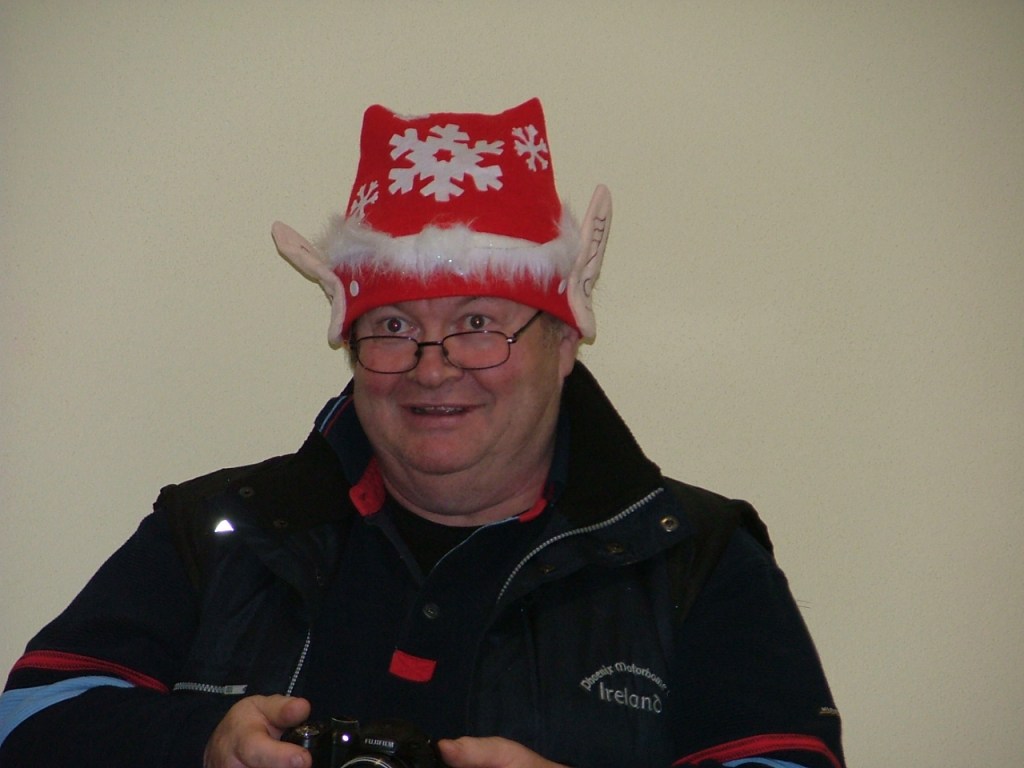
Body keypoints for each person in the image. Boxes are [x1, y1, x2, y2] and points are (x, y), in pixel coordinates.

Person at [0, 99, 845, 768]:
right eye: (394, 326)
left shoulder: (693, 558)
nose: (432, 369)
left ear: (564, 344)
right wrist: (198, 744)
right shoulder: (222, 530)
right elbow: (27, 723)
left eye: (478, 324)